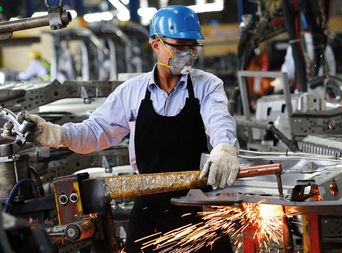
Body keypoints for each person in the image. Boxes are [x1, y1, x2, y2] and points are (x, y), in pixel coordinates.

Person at [21, 6, 239, 253]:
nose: (186, 54)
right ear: (155, 44)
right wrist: (56, 134)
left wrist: (224, 147)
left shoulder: (206, 85)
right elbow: (95, 131)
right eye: (179, 47)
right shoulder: (132, 92)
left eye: (192, 47)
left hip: (198, 207)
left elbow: (219, 120)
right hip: (149, 211)